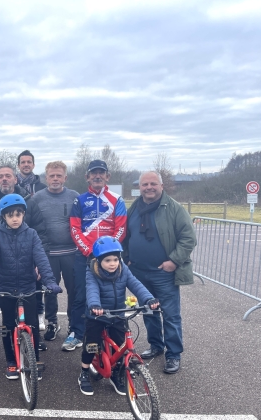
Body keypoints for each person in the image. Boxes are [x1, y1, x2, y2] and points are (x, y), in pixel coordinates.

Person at [0, 194, 61, 380]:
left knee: (31, 326)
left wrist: (50, 281)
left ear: (24, 214)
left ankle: (35, 360)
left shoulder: (31, 234)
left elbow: (41, 257)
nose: (15, 218)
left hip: (27, 286)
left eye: (18, 214)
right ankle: (11, 361)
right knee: (8, 326)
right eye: (10, 215)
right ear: (3, 217)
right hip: (5, 287)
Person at [124, 171, 197, 374]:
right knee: (149, 311)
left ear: (161, 186)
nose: (149, 187)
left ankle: (173, 354)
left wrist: (173, 261)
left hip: (163, 272)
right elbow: (126, 235)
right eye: (145, 184)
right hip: (138, 271)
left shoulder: (174, 208)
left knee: (171, 315)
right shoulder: (135, 208)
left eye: (153, 184)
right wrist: (127, 257)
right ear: (140, 187)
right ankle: (156, 346)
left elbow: (189, 238)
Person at [0, 165, 49, 351]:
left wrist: (40, 263)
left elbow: (40, 233)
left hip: (24, 266)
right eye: (1, 176)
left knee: (29, 306)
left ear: (15, 179)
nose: (4, 179)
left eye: (8, 176)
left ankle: (33, 340)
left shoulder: (28, 203)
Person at [77, 236, 158, 396]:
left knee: (121, 345)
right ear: (99, 260)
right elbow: (92, 289)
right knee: (91, 344)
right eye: (108, 260)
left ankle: (116, 374)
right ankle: (85, 372)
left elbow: (136, 284)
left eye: (115, 259)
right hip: (97, 315)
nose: (112, 263)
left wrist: (149, 299)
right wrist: (95, 305)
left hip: (117, 314)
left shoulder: (123, 270)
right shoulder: (92, 271)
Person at [65, 159, 127, 351]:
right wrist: (88, 251)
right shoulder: (80, 200)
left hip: (110, 257)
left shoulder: (117, 200)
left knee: (114, 296)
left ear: (107, 176)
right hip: (84, 256)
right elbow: (75, 228)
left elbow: (121, 229)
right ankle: (76, 332)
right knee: (80, 296)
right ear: (87, 177)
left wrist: (106, 253)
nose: (97, 176)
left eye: (101, 173)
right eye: (93, 173)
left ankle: (114, 333)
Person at [30, 161, 78, 342]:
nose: (55, 179)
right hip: (47, 254)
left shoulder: (75, 196)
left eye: (59, 175)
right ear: (46, 177)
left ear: (65, 177)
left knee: (74, 291)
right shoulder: (37, 198)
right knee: (50, 291)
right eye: (52, 175)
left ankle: (74, 324)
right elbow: (32, 226)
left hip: (71, 253)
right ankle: (52, 322)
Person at [16, 150, 48, 330]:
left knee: (37, 281)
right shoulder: (13, 185)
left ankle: (39, 315)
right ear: (18, 165)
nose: (26, 164)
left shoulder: (42, 188)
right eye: (23, 162)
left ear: (33, 165)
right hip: (16, 239)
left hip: (35, 237)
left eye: (29, 162)